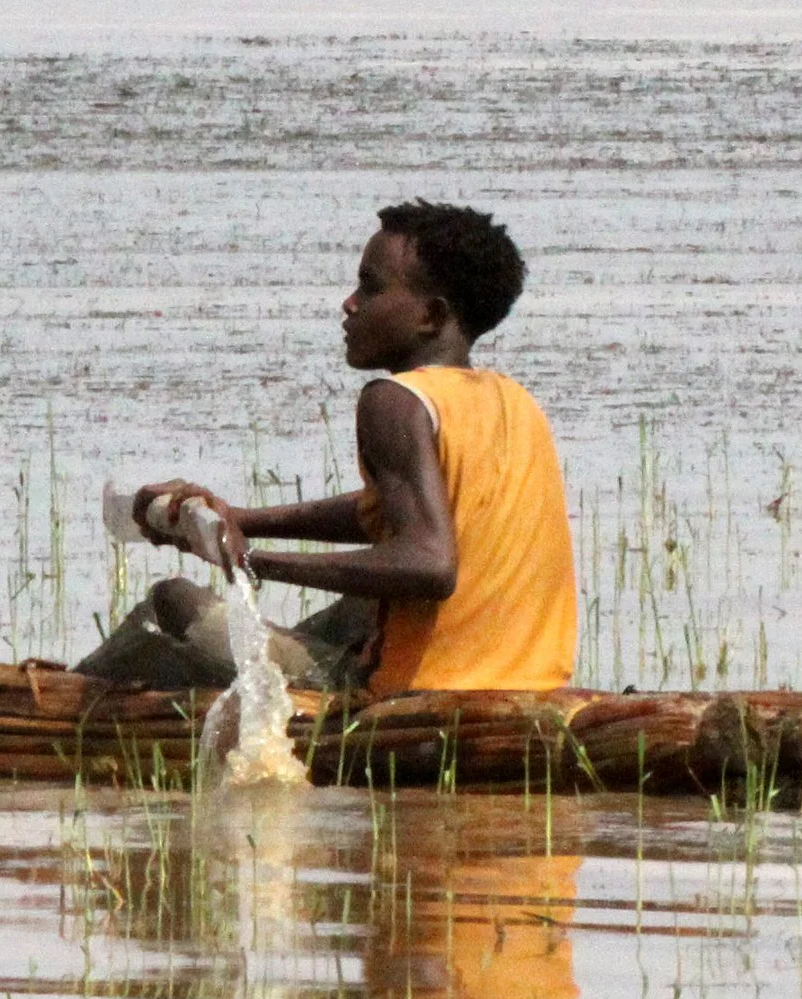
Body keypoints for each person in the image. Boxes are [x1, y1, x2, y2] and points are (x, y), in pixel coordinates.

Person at [73, 200, 577, 696]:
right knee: (355, 608)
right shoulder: (514, 400)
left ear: (430, 316)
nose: (350, 303)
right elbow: (395, 515)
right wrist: (244, 519)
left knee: (174, 603)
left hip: (423, 690)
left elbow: (429, 563)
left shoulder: (394, 402)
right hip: (529, 681)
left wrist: (252, 562)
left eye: (371, 287)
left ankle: (65, 698)